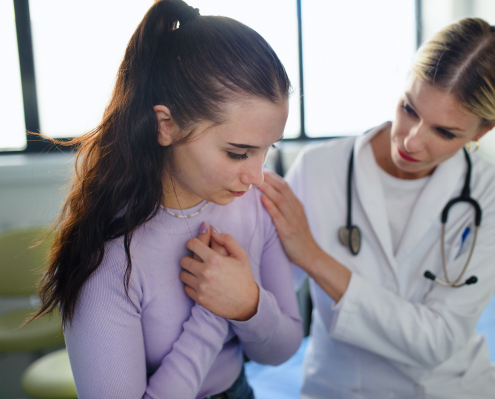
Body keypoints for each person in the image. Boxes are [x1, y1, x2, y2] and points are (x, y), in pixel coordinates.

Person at [30, 1, 303, 398]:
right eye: (238, 153)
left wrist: (248, 303)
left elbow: (281, 350)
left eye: (268, 149)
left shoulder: (257, 201)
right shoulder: (109, 256)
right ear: (166, 125)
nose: (257, 176)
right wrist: (211, 315)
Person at [259, 17, 495, 399]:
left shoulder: (492, 191)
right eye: (409, 109)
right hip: (343, 386)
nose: (412, 142)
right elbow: (273, 300)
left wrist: (314, 257)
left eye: (445, 132)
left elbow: (440, 340)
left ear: (485, 130)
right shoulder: (320, 169)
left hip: (452, 386)